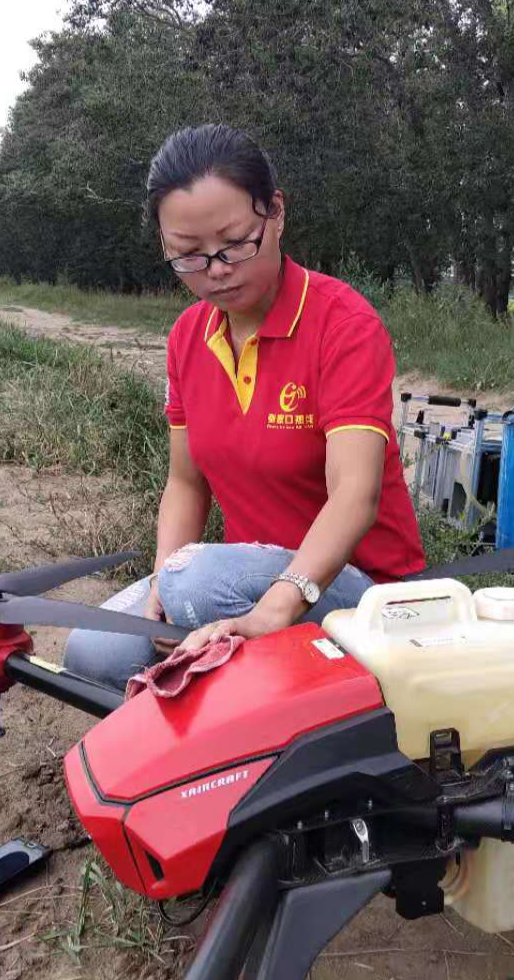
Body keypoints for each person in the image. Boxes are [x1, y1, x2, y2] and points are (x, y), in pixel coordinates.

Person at [63, 123, 426, 690]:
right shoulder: (188, 337)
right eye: (188, 256)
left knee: (197, 589)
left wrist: (273, 611)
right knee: (94, 653)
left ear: (275, 213)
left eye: (234, 244)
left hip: (363, 590)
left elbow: (356, 494)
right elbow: (186, 483)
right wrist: (161, 584)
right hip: (240, 579)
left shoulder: (343, 325)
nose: (216, 270)